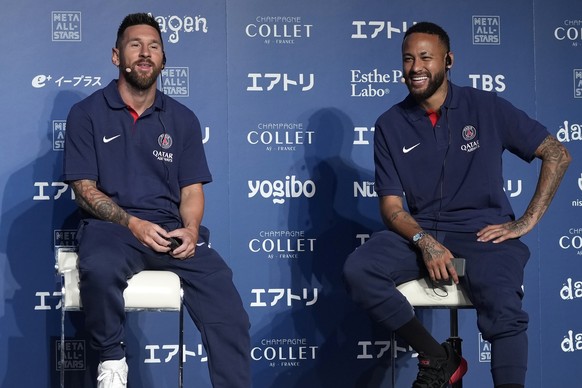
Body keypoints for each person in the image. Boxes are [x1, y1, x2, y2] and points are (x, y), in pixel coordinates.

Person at [343, 21, 571, 388]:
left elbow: (557, 154)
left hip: (483, 232)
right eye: (407, 59)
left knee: (505, 310)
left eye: (425, 57)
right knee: (360, 268)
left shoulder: (486, 106)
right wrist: (425, 242)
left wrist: (525, 222)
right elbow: (391, 209)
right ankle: (437, 358)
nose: (415, 67)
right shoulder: (389, 123)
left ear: (448, 60)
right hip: (419, 233)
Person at [63, 13, 250, 388]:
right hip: (113, 229)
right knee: (98, 264)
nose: (145, 53)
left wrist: (191, 229)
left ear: (163, 58)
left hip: (170, 231)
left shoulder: (183, 119)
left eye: (154, 46)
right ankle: (112, 359)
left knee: (226, 301)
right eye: (135, 45)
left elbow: (192, 190)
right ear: (117, 56)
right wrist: (133, 224)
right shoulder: (86, 114)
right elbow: (83, 189)